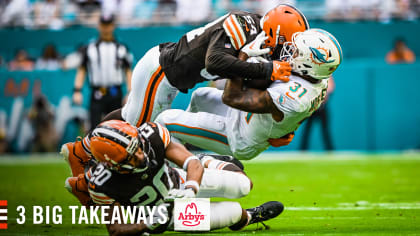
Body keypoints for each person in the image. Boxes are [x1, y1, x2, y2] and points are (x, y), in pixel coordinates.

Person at [62, 4, 308, 166]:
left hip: (171, 76)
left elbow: (253, 85)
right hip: (161, 72)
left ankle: (82, 151)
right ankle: (84, 155)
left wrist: (275, 130)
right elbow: (215, 62)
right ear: (274, 31)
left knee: (130, 120)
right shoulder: (242, 25)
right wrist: (266, 68)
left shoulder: (259, 37)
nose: (285, 53)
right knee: (133, 133)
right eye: (286, 44)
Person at [63, 120, 283, 234]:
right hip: (169, 215)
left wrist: (190, 189)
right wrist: (146, 225)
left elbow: (191, 164)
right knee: (235, 213)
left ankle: (209, 160)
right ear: (113, 166)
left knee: (243, 184)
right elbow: (116, 230)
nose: (141, 155)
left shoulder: (150, 136)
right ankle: (249, 217)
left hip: (178, 181)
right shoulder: (102, 184)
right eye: (132, 156)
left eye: (138, 147)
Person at [155, 29, 343, 160]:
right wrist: (288, 129)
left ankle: (175, 172)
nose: (290, 51)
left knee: (165, 120)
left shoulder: (294, 97)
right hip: (248, 116)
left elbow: (232, 98)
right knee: (200, 96)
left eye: (296, 51)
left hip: (240, 136)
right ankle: (186, 144)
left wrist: (243, 57)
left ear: (310, 63)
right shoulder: (318, 77)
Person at [72, 14, 133, 130]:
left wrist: (130, 92)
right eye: (103, 25)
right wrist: (77, 90)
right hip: (97, 93)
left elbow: (128, 71)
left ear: (113, 26)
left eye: (108, 25)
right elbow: (82, 69)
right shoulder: (89, 48)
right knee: (94, 127)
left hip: (115, 92)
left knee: (117, 127)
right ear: (99, 26)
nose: (106, 29)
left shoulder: (121, 48)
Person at [300, 76, 335, 151]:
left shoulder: (327, 75)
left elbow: (331, 87)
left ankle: (330, 150)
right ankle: (302, 151)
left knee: (325, 130)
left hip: (322, 107)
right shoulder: (312, 73)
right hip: (312, 107)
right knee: (307, 130)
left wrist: (325, 93)